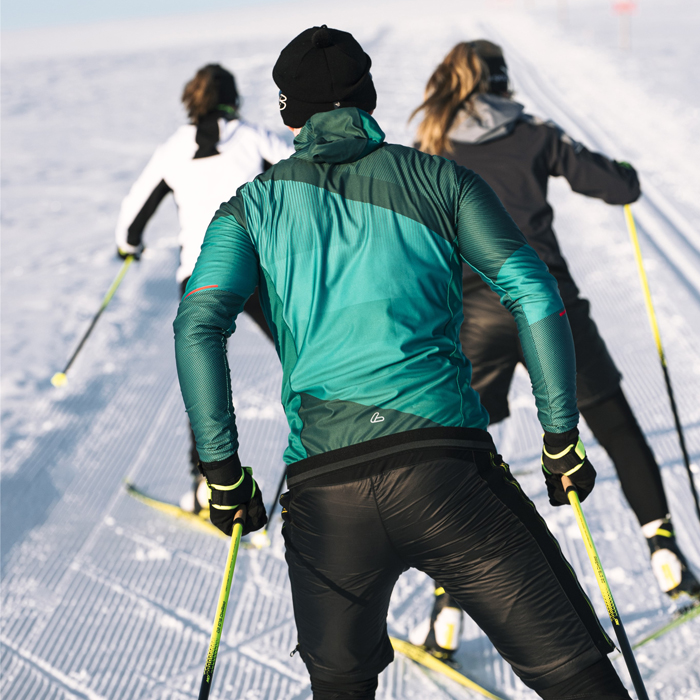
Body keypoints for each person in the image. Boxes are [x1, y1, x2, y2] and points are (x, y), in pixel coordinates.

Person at [174, 25, 633, 700]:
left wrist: (221, 472)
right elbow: (533, 293)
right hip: (449, 477)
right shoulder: (442, 178)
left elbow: (197, 324)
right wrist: (560, 441)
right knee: (581, 684)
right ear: (368, 94)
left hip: (326, 499)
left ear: (287, 112)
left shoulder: (249, 208)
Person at [410, 39, 700, 660]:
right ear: (505, 81)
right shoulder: (537, 133)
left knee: (465, 458)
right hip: (551, 306)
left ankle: (446, 607)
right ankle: (665, 549)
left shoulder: (435, 141)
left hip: (475, 313)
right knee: (616, 427)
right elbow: (617, 188)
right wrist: (623, 174)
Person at [114, 63, 292, 510]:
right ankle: (329, 452)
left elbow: (134, 213)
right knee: (301, 353)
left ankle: (208, 483)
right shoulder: (254, 137)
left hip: (199, 274)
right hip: (259, 268)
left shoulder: (173, 149)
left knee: (204, 379)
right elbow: (303, 174)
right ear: (234, 98)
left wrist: (128, 246)